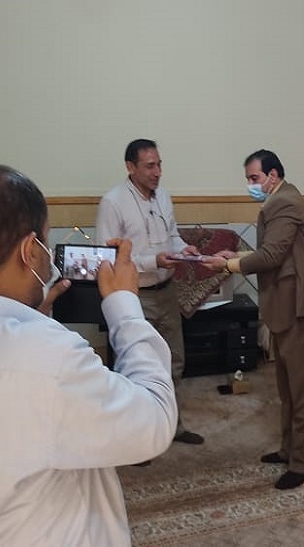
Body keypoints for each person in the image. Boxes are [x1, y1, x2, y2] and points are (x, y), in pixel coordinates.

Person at [0, 164, 178, 546]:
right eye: (45, 240)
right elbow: (153, 421)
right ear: (30, 250)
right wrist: (125, 305)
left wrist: (32, 320)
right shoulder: (47, 358)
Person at [202, 149, 304, 490]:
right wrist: (237, 255)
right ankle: (290, 449)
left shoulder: (283, 202)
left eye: (254, 178)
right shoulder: (281, 198)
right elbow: (278, 250)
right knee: (288, 387)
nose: (251, 185)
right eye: (248, 179)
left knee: (303, 390)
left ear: (273, 175)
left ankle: (303, 463)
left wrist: (227, 265)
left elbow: (272, 255)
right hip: (289, 305)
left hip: (301, 306)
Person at [96, 138, 204, 446]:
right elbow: (108, 258)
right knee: (135, 364)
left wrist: (185, 249)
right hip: (134, 296)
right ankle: (136, 439)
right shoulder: (113, 202)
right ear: (130, 167)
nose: (157, 172)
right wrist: (152, 261)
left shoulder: (164, 197)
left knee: (174, 360)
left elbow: (172, 237)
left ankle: (173, 426)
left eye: (159, 165)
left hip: (167, 291)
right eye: (150, 166)